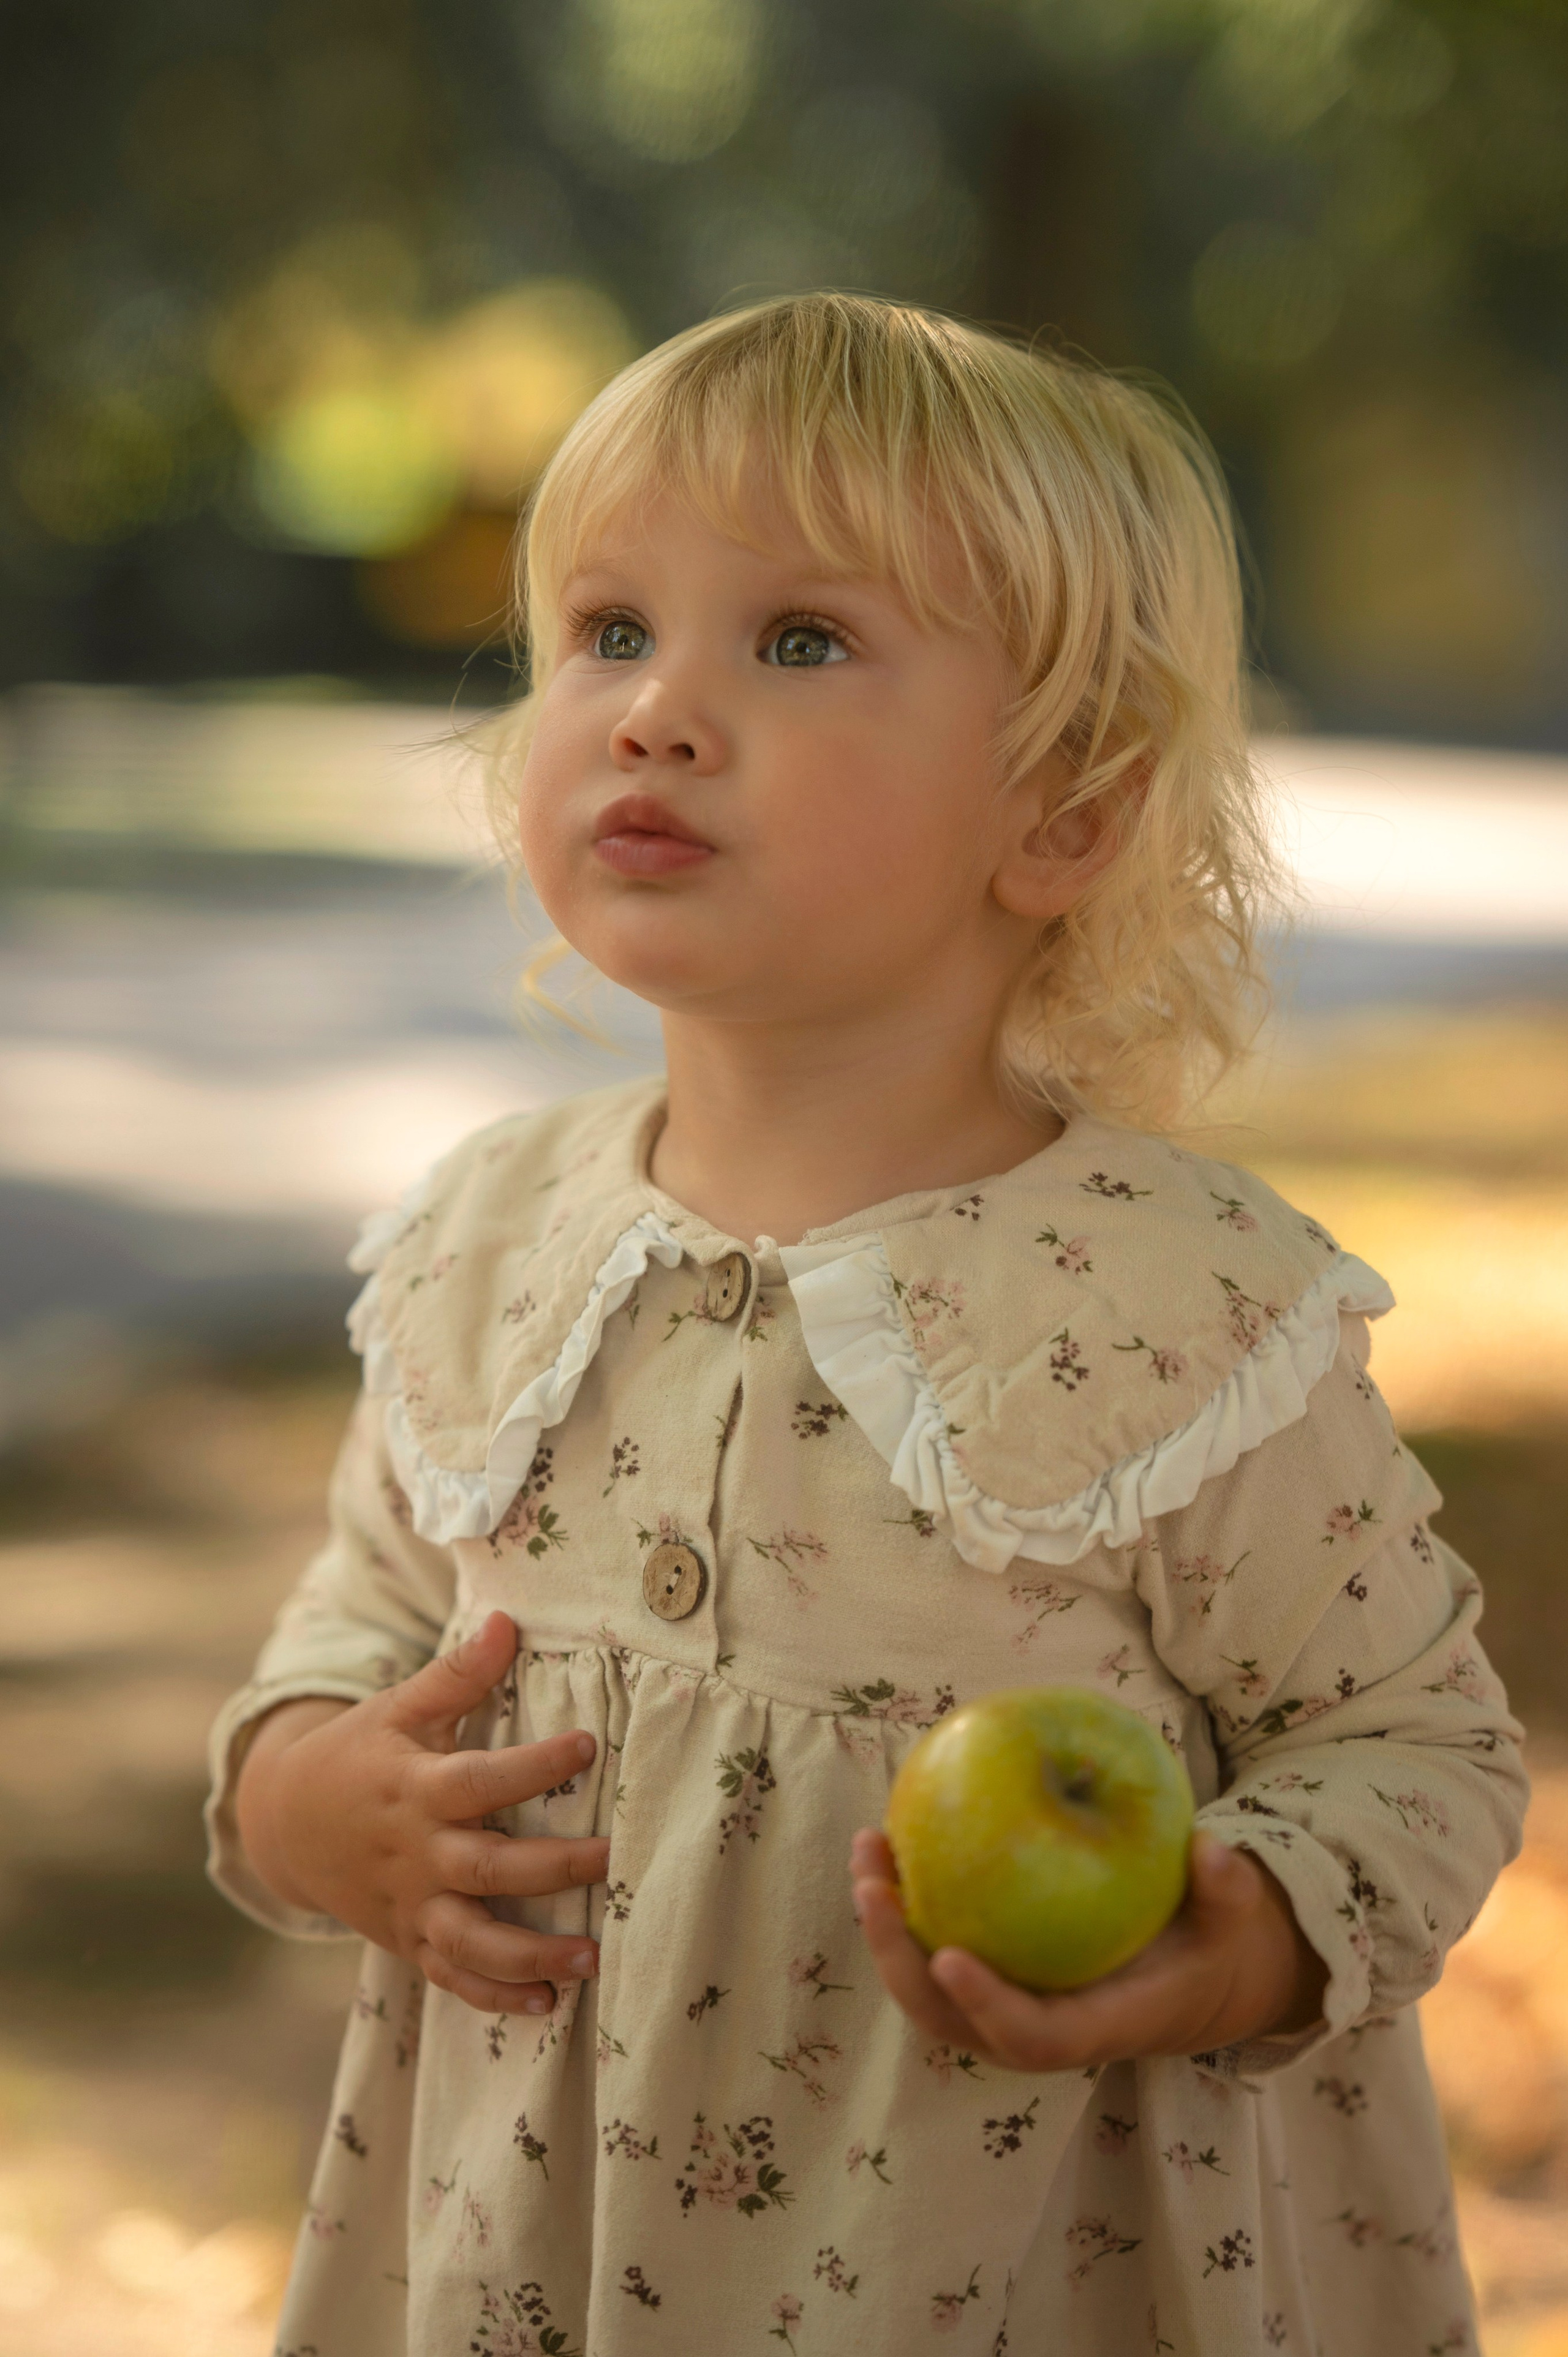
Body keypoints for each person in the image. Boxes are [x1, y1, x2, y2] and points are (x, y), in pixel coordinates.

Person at [207, 293, 1523, 2356]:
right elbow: (358, 1630)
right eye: (612, 634)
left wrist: (1228, 1936)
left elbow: (1415, 1745)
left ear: (1064, 811)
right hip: (529, 2259)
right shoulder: (487, 1248)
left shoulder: (1181, 1312)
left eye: (798, 642)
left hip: (1001, 2276)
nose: (656, 712)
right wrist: (305, 1798)